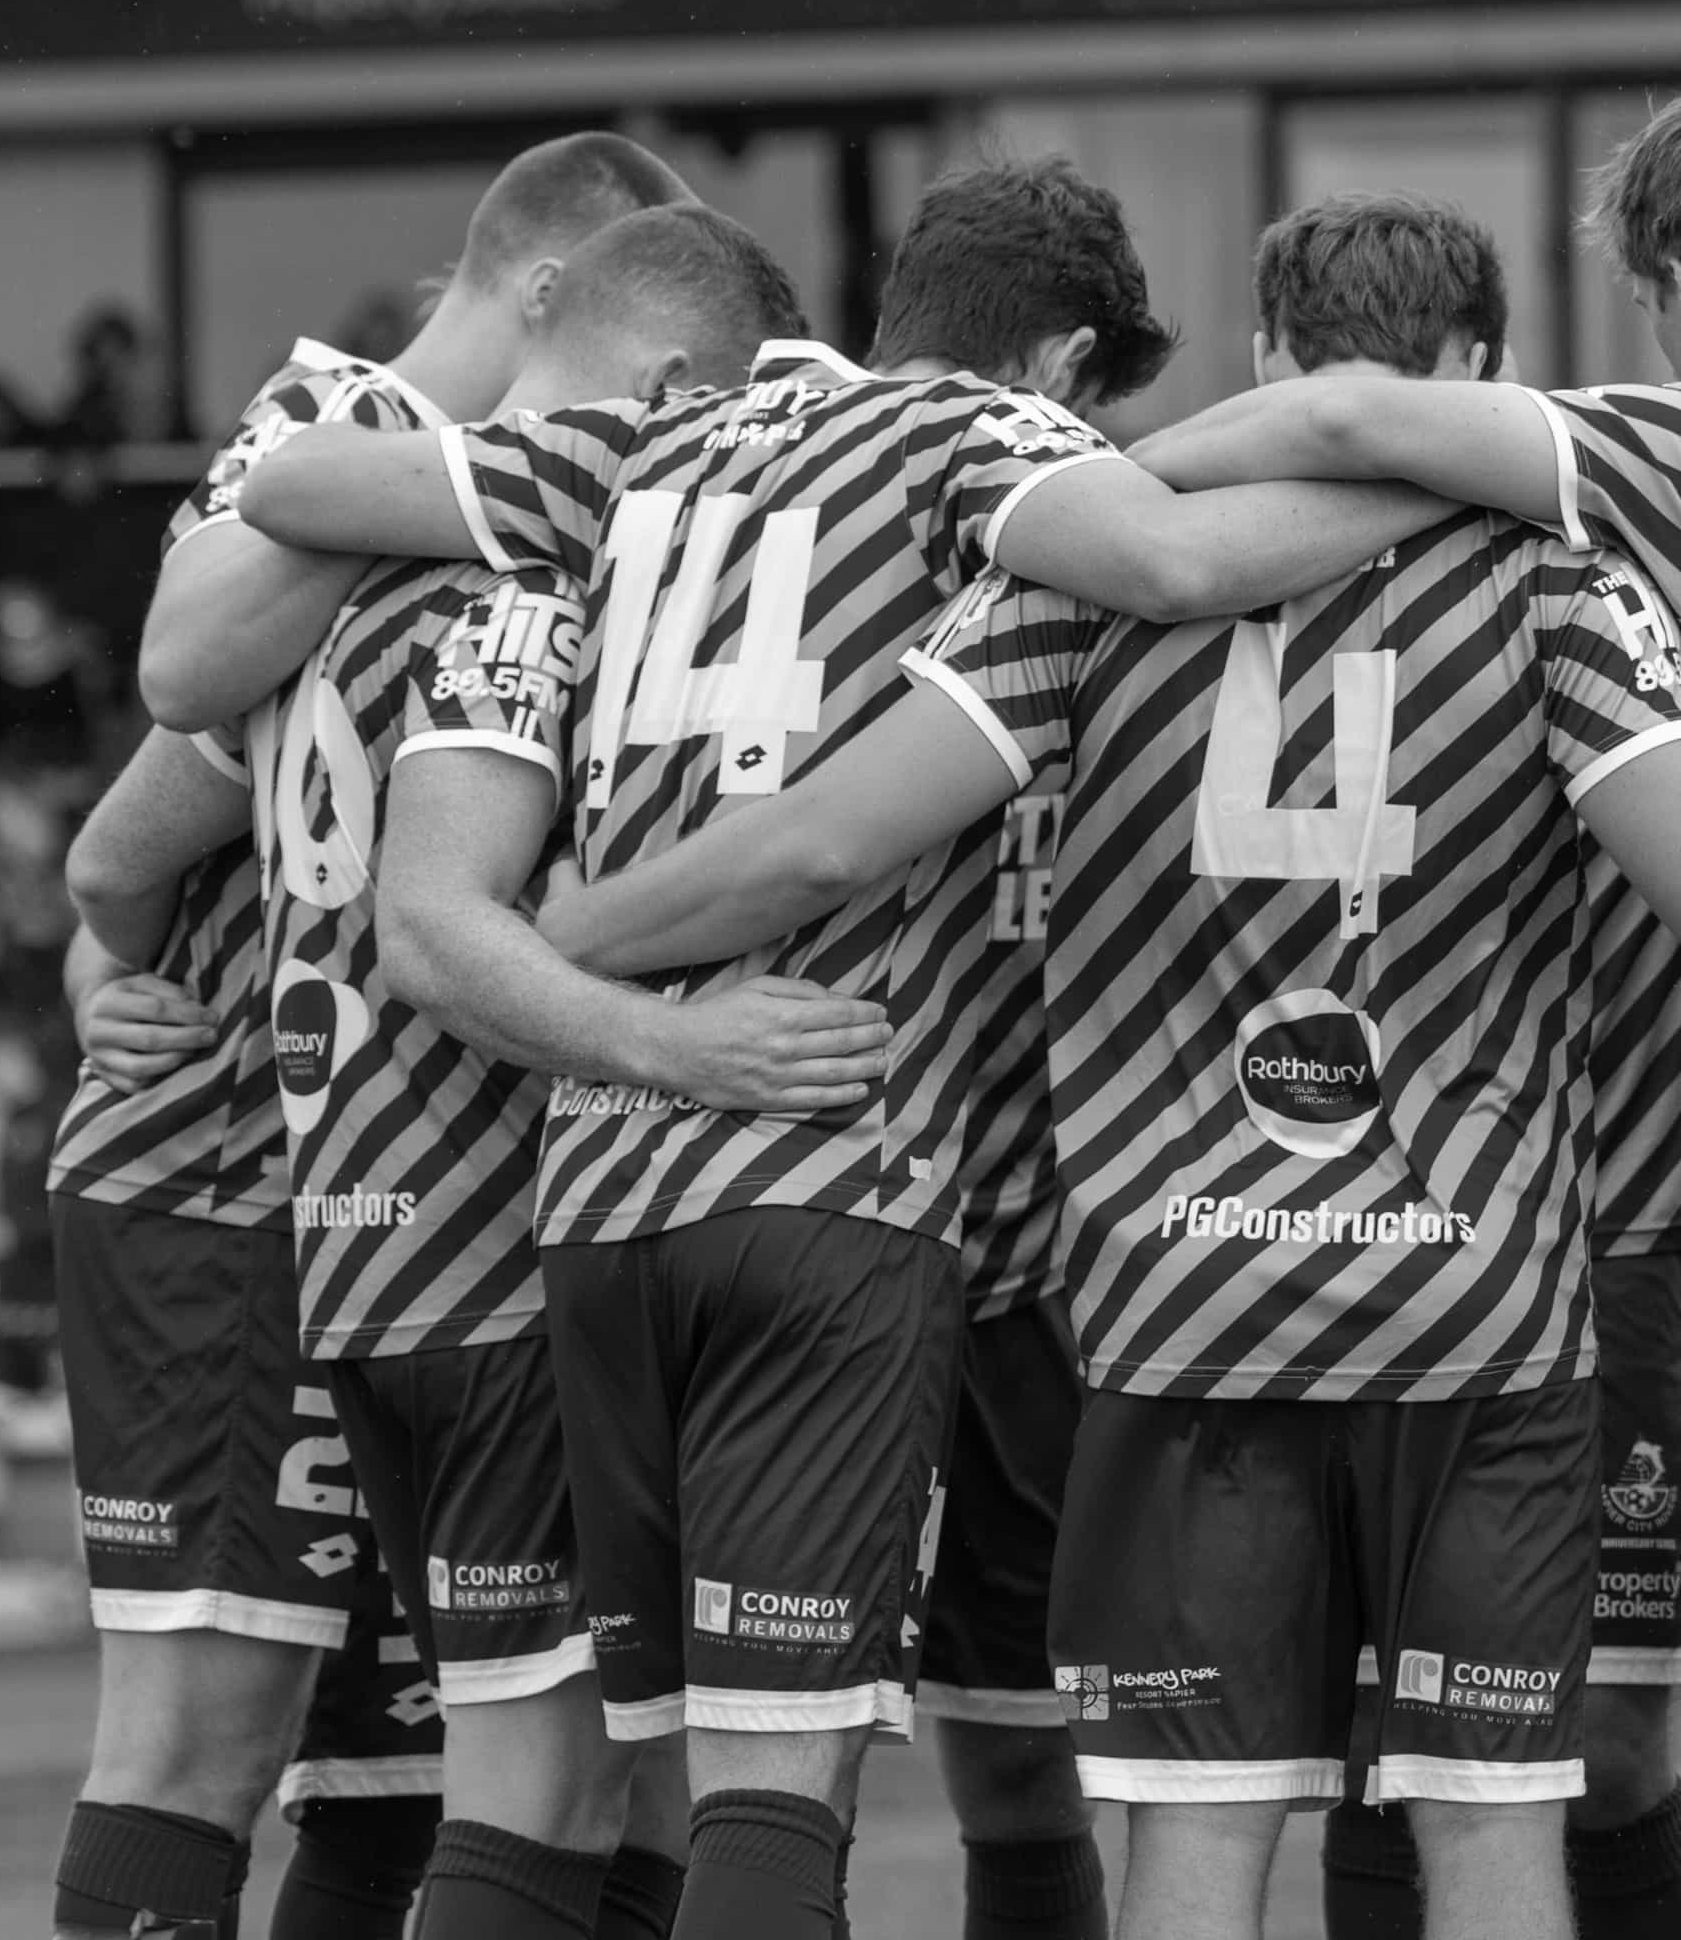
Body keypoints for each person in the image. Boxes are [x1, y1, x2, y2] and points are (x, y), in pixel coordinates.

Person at [236, 157, 1447, 1940]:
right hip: (868, 1177)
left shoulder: (636, 453)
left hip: (598, 1198)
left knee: (592, 1783)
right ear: (1052, 367)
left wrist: (619, 1004)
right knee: (795, 1784)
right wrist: (1496, 471)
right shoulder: (971, 443)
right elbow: (1178, 557)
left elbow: (294, 480)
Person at [520, 192, 1681, 1940]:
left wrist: (560, 941)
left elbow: (822, 840)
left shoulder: (1068, 598)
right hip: (1477, 1303)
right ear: (1490, 376)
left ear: (1270, 361)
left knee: (1196, 1841)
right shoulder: (1556, 580)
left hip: (1181, 1305)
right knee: (1490, 1823)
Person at [80, 209, 897, 1940]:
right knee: (555, 1788)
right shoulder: (535, 574)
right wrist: (688, 1039)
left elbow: (110, 855)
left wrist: (111, 965)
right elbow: (437, 929)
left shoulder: (312, 564)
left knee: (420, 1783)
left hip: (348, 1243)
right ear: (667, 379)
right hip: (496, 1235)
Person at [1125, 138, 1681, 1940]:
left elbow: (1362, 427)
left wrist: (1112, 486)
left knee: (1505, 1737)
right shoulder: (1562, 516)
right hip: (1552, 1207)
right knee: (1516, 1731)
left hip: (1570, 1200)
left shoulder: (1617, 463)